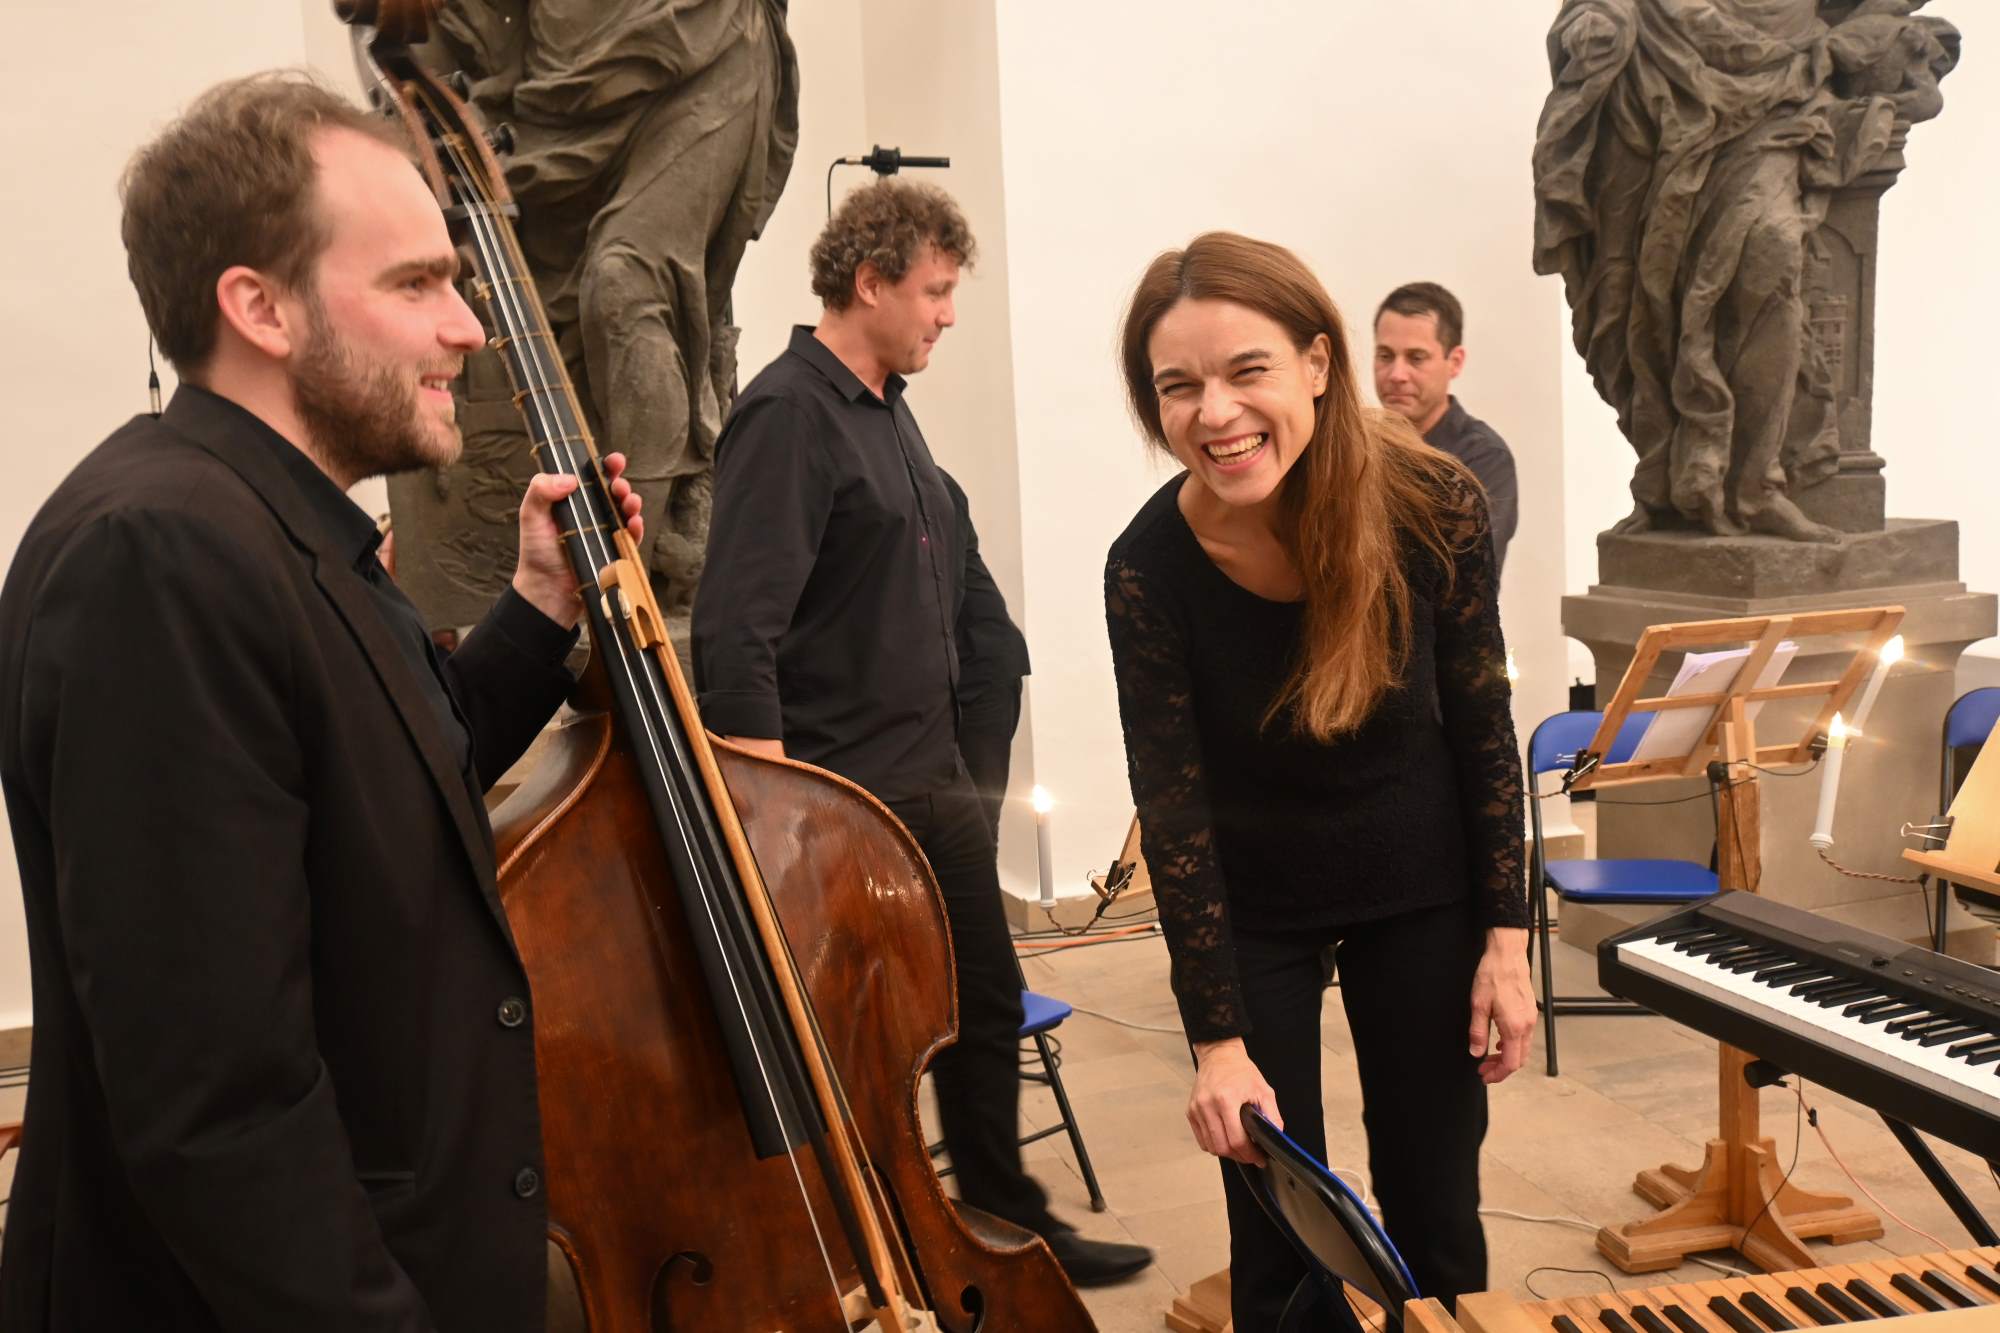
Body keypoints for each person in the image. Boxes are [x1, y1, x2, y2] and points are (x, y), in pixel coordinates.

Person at [0, 74, 642, 1332]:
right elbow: (220, 1105)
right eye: (415, 284)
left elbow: (397, 767)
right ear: (262, 307)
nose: (465, 328)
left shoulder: (267, 525)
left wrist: (537, 600)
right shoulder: (162, 556)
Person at [692, 179, 1149, 1287]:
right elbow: (734, 631)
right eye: (935, 291)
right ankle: (868, 1242)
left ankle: (999, 1215)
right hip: (845, 804)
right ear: (870, 281)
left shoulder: (884, 404)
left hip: (930, 785)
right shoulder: (790, 412)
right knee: (868, 1039)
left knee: (984, 1008)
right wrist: (767, 821)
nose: (947, 313)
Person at [1105, 233, 1534, 1328]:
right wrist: (1215, 1041)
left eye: (1244, 370)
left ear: (1314, 363)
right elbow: (1174, 810)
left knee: (1436, 1209)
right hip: (1254, 904)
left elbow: (1484, 724)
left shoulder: (1432, 504)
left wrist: (1503, 940)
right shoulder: (1146, 567)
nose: (1213, 412)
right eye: (1177, 386)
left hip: (1420, 879)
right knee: (1278, 1236)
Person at [1372, 282, 1519, 576]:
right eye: (1386, 356)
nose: (1397, 375)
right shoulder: (1359, 444)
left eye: (1416, 358)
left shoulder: (1483, 457)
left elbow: (1455, 573)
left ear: (1455, 362)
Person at [940, 468, 1031, 845]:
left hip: (983, 668)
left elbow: (943, 590)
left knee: (976, 823)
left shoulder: (935, 485)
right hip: (946, 671)